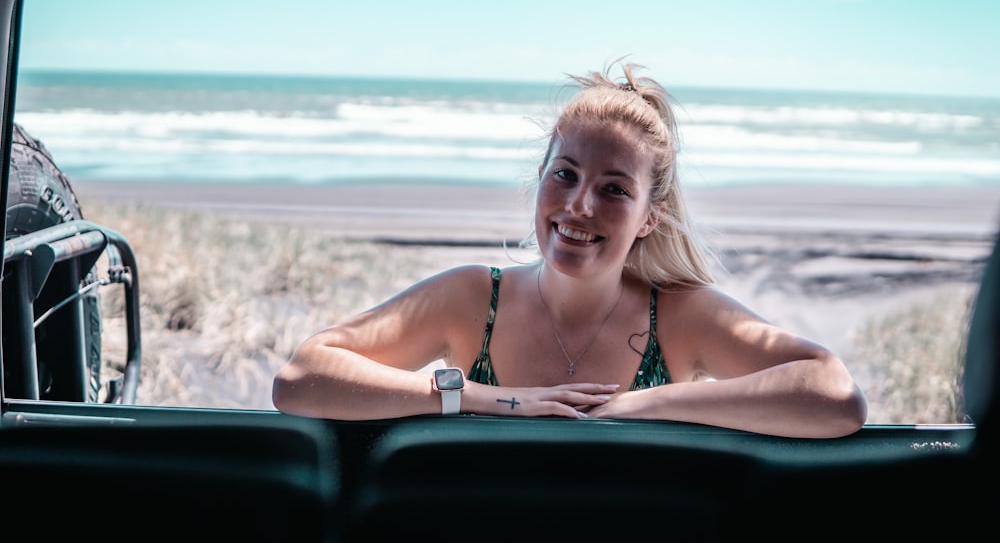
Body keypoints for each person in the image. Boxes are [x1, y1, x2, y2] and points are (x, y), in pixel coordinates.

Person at [272, 60, 868, 439]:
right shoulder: (472, 297)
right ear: (540, 177)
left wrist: (651, 404)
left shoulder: (681, 314)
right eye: (565, 175)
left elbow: (834, 395)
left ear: (647, 219)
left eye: (614, 189)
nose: (580, 205)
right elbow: (302, 378)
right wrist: (487, 399)